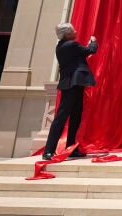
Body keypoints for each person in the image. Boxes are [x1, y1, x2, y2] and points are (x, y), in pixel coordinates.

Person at [42, 23, 98, 160]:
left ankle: (71, 148)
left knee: (75, 117)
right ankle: (48, 150)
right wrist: (93, 42)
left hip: (75, 84)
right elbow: (89, 51)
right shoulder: (70, 45)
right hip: (72, 84)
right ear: (67, 34)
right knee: (62, 117)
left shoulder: (63, 46)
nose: (76, 31)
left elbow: (79, 54)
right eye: (73, 30)